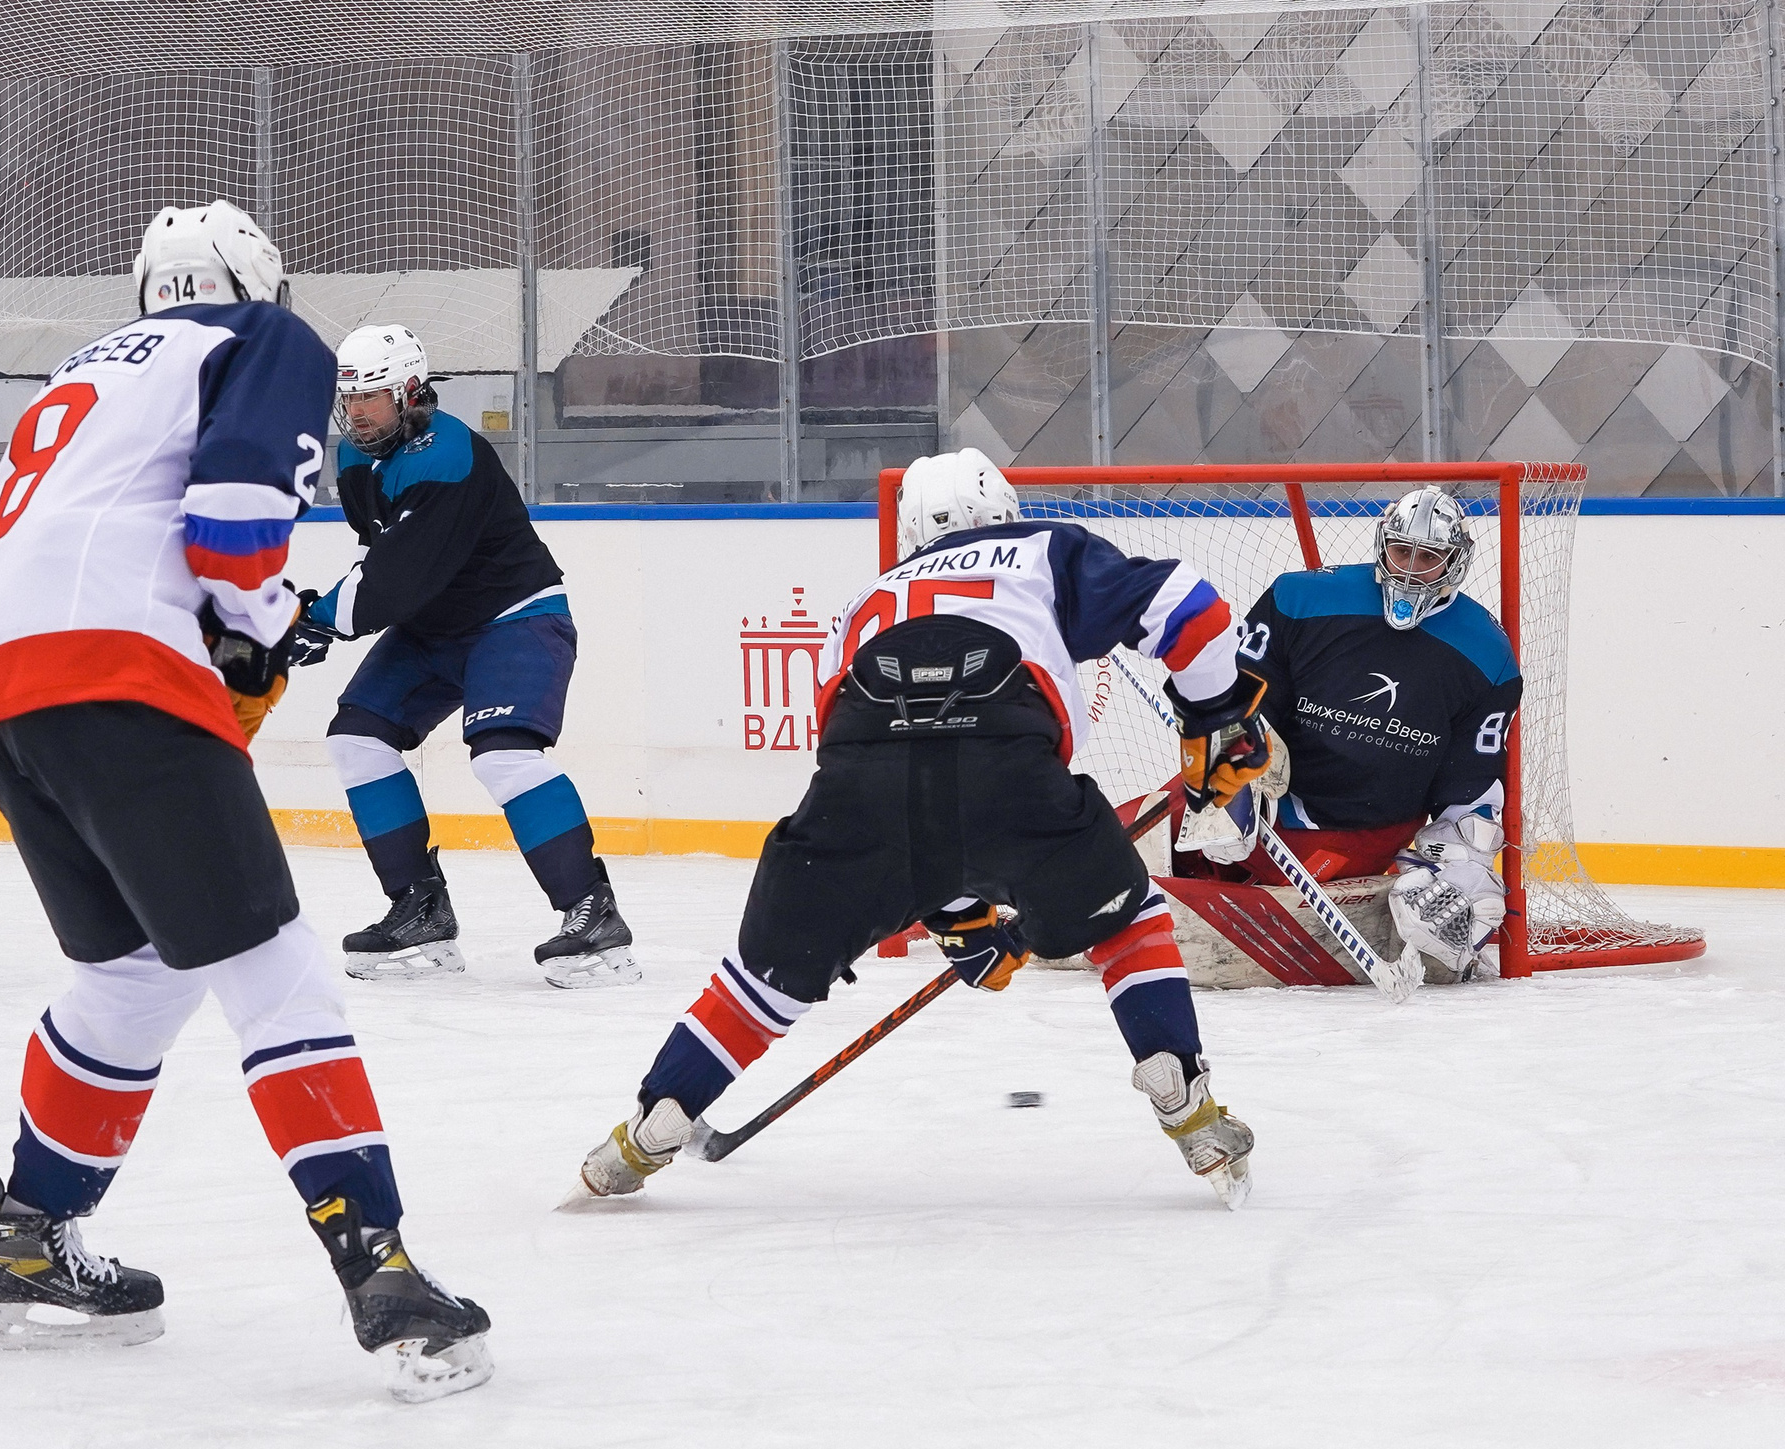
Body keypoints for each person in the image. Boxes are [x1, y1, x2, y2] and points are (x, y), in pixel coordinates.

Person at [0, 203, 492, 1402]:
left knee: (133, 974)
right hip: (111, 662)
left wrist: (229, 625)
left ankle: (27, 1233)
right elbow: (234, 533)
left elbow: (108, 526)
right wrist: (267, 623)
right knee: (273, 970)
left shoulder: (83, 368)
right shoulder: (262, 338)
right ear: (256, 283)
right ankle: (378, 1268)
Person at [568, 449, 1265, 1211]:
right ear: (1004, 509)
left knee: (761, 980)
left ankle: (649, 1124)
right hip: (1011, 760)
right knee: (1126, 919)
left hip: (859, 785)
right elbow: (1192, 607)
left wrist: (951, 907)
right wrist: (1216, 718)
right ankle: (1184, 1099)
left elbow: (881, 769)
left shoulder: (864, 603)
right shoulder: (1043, 548)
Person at [291, 324, 638, 988]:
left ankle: (590, 911)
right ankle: (419, 905)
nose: (357, 411)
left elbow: (392, 583)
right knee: (357, 740)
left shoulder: (446, 455)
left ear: (412, 393)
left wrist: (313, 617)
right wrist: (316, 616)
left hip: (516, 617)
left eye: (372, 395)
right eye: (349, 397)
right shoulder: (357, 459)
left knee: (503, 753)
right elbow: (380, 561)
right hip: (434, 629)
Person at [1206, 486, 1523, 978]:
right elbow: (1234, 698)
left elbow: (1470, 790)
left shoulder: (1488, 654)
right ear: (1382, 544)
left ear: (1456, 561)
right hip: (1275, 805)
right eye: (1401, 551)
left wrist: (1463, 870)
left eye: (1429, 558)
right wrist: (1229, 773)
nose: (1410, 568)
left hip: (1361, 834)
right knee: (1138, 834)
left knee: (1456, 898)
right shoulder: (1299, 597)